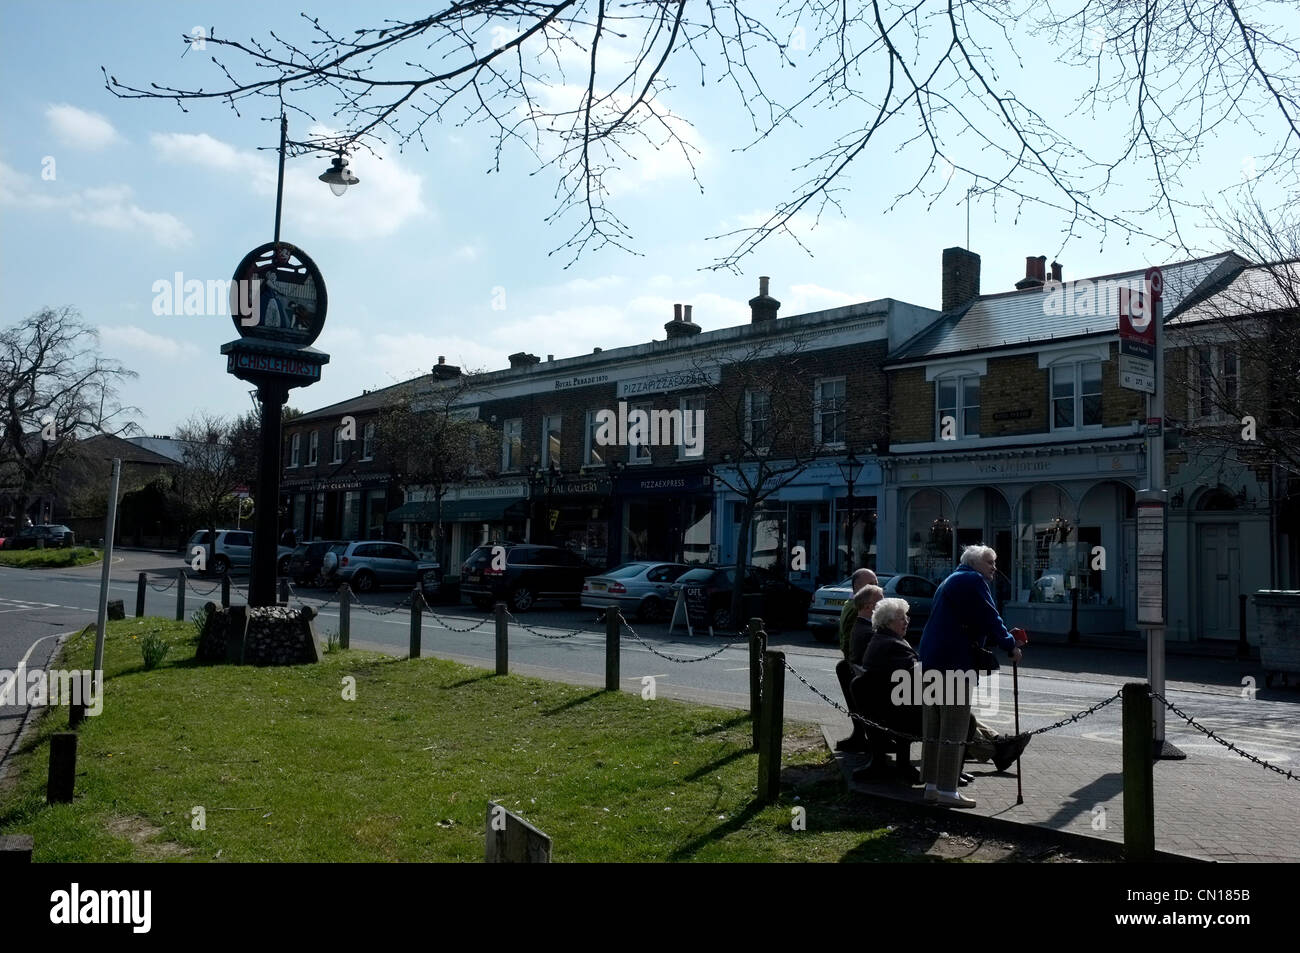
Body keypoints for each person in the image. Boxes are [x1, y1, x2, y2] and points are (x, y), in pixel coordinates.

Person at [918, 544, 1023, 808]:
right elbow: (990, 616)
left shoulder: (951, 580)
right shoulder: (973, 580)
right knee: (954, 726)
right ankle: (947, 790)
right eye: (989, 562)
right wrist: (1010, 644)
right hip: (954, 662)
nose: (994, 568)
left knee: (935, 725)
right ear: (975, 563)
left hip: (932, 659)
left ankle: (931, 786)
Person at [851, 597, 922, 783]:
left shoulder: (880, 639)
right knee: (962, 715)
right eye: (901, 618)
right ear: (887, 622)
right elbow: (917, 677)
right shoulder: (894, 646)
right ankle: (951, 775)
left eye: (906, 617)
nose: (906, 621)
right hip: (901, 715)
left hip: (887, 710)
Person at [833, 583, 885, 752]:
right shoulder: (870, 633)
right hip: (887, 701)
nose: (884, 604)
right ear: (870, 606)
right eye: (881, 601)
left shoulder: (862, 627)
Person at [839, 567, 878, 658]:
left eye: (876, 584)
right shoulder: (857, 608)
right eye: (871, 584)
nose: (876, 588)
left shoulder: (852, 603)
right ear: (857, 586)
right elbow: (848, 640)